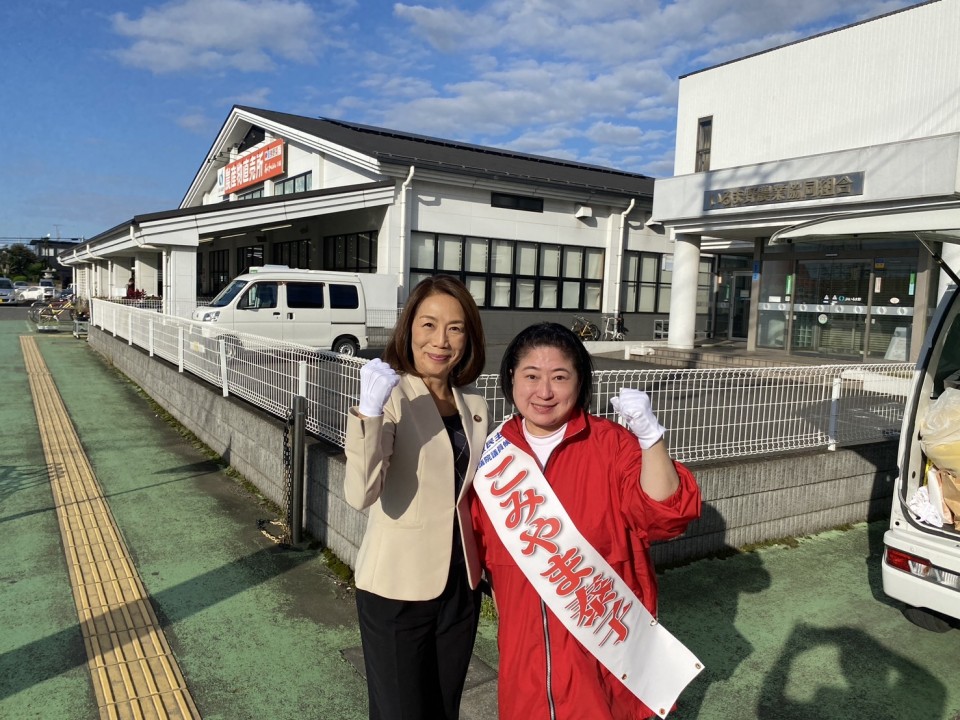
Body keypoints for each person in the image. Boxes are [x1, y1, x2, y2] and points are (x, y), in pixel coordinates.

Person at [470, 322, 703, 720]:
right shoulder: (491, 458)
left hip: (604, 655)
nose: (544, 392)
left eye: (559, 377)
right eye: (531, 376)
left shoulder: (611, 444)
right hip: (525, 659)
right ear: (511, 378)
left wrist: (650, 437)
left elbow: (667, 516)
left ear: (580, 382)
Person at [344, 275, 489, 720]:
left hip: (460, 587)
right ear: (408, 330)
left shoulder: (476, 405)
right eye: (428, 325)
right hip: (396, 588)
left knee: (444, 708)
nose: (440, 340)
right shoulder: (390, 397)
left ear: (469, 338)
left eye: (455, 327)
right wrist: (368, 412)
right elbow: (360, 492)